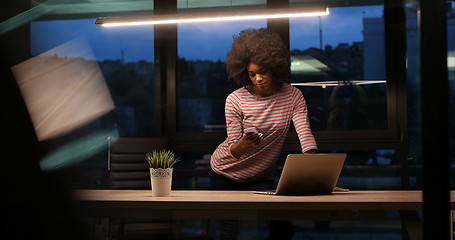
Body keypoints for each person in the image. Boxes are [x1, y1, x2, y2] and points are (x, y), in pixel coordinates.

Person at [209, 28, 318, 240]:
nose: (258, 78)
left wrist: (316, 172)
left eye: (262, 71)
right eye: (252, 74)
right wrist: (245, 142)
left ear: (274, 67)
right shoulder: (234, 100)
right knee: (229, 229)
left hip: (259, 176)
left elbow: (305, 133)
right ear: (244, 73)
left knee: (283, 228)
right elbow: (234, 149)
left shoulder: (293, 96)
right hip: (224, 172)